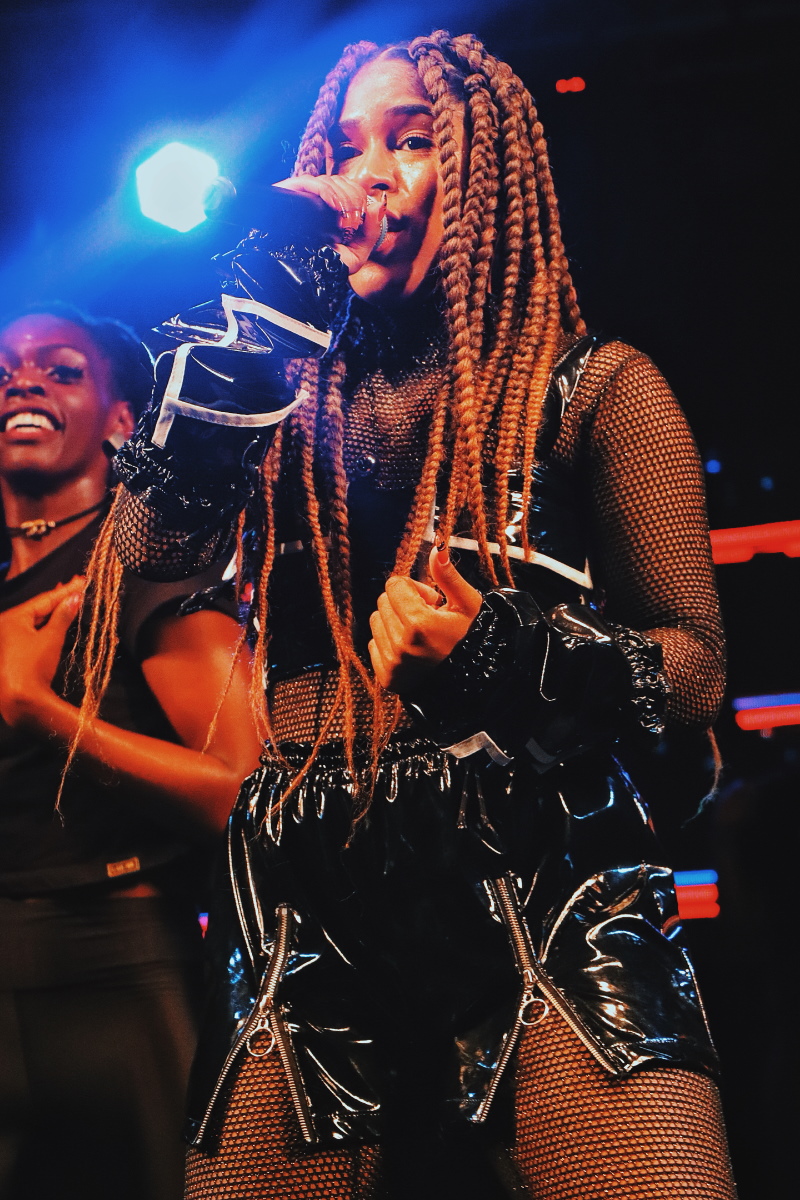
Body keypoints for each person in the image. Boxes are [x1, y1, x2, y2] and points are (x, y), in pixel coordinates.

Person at [112, 32, 735, 1200]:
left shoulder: (596, 385)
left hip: (542, 869)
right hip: (307, 882)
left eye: (410, 142)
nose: (368, 174)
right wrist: (257, 328)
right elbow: (149, 557)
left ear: (483, 176)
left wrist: (504, 655)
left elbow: (694, 670)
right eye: (347, 146)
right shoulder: (278, 388)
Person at [0, 306, 261, 1200]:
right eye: (6, 372)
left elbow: (245, 790)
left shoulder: (146, 561)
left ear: (121, 419)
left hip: (115, 966)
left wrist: (38, 711)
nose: (22, 382)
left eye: (60, 370)